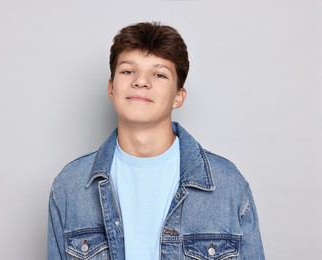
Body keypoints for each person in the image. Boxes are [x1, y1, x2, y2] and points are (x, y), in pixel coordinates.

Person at [48, 22, 265, 260]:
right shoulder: (70, 186)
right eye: (128, 71)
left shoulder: (227, 185)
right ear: (111, 88)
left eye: (159, 74)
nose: (141, 81)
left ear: (178, 97)